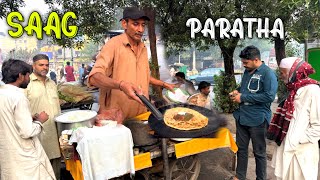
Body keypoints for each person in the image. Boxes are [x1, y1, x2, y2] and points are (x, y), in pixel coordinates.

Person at [88, 7, 175, 123]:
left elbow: (144, 76)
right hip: (116, 118)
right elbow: (94, 78)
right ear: (124, 24)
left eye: (143, 25)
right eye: (135, 24)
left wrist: (164, 84)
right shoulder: (113, 44)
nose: (140, 29)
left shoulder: (143, 48)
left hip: (140, 115)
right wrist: (121, 85)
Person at [0, 59, 55, 179]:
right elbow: (27, 132)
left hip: (8, 157)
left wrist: (28, 118)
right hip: (25, 158)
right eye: (27, 75)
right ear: (20, 76)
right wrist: (40, 120)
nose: (29, 78)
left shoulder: (2, 93)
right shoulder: (18, 96)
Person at [229, 45, 278, 180]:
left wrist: (243, 97)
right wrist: (237, 92)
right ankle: (240, 176)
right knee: (241, 149)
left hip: (258, 119)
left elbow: (269, 96)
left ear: (256, 60)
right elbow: (245, 88)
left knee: (259, 153)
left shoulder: (268, 74)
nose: (243, 65)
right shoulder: (247, 71)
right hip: (242, 117)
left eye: (246, 62)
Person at [267, 57, 320, 180]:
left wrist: (298, 140)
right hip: (286, 146)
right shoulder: (293, 90)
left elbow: (318, 125)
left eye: (282, 72)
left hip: (302, 152)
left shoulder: (313, 90)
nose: (281, 76)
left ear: (293, 71)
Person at [25, 54, 61, 179]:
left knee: (56, 169)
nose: (44, 67)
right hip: (39, 134)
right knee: (41, 170)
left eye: (47, 65)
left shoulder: (51, 83)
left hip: (55, 132)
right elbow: (21, 109)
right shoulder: (27, 83)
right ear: (33, 65)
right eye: (41, 65)